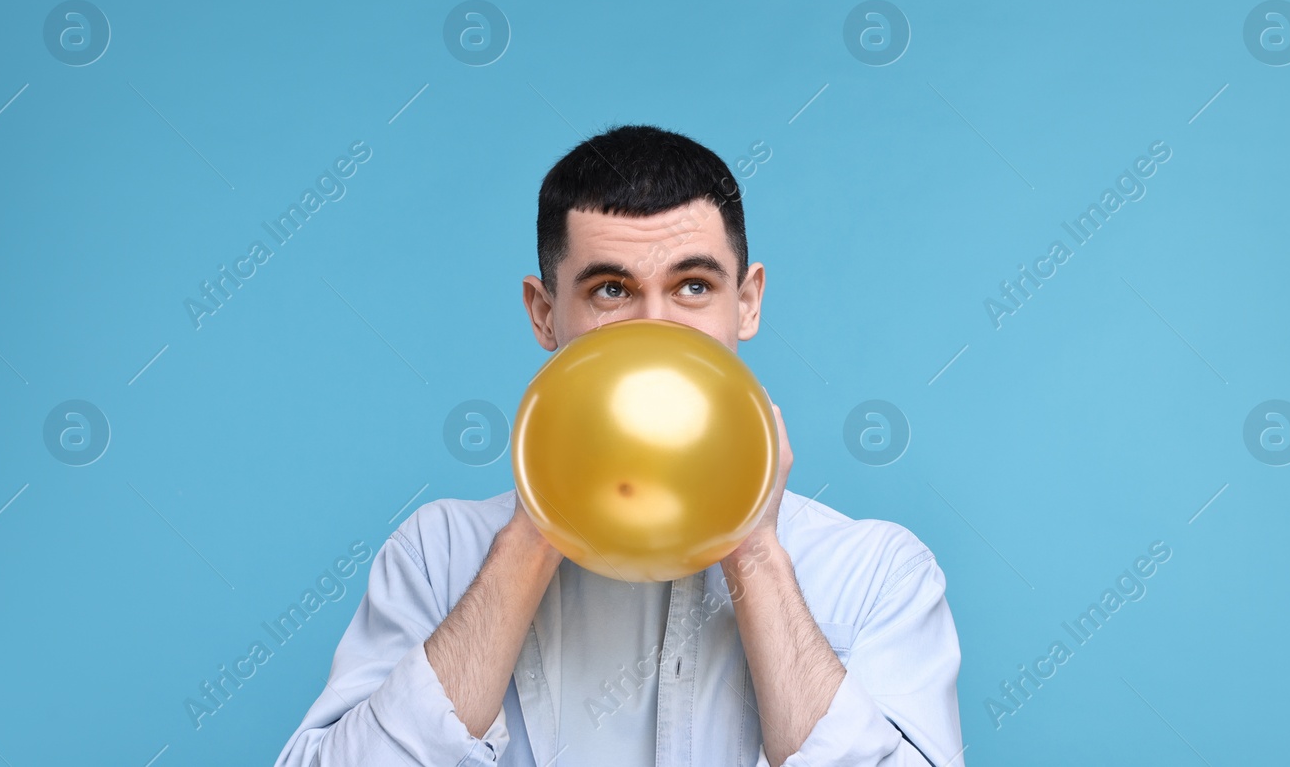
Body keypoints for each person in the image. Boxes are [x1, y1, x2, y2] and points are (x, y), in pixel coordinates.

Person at [273, 124, 965, 766]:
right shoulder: (437, 555)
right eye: (611, 289)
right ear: (545, 313)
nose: (654, 328)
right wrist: (537, 528)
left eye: (694, 285)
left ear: (747, 302)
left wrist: (755, 551)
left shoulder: (876, 572)